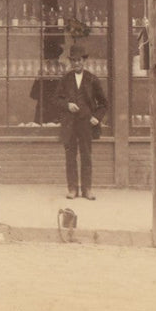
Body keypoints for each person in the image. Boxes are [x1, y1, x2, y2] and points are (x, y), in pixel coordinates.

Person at [55, 46, 109, 200]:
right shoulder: (65, 79)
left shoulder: (92, 79)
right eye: (73, 60)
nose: (76, 63)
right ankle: (72, 189)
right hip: (69, 124)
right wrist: (67, 105)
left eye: (79, 60)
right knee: (70, 157)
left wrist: (97, 117)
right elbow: (56, 99)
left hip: (86, 124)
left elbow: (104, 103)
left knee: (86, 156)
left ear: (84, 61)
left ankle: (87, 190)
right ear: (70, 62)